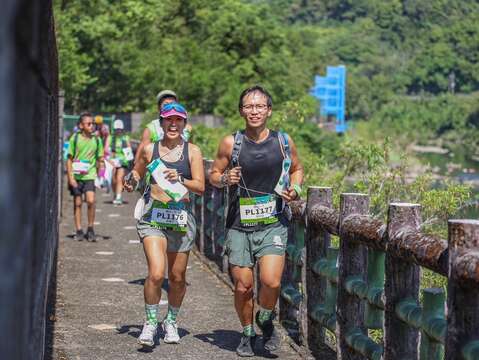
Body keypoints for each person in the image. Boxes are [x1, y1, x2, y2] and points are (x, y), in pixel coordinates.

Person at [210, 85, 304, 357]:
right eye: (249, 106)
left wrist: (295, 189)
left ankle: (265, 318)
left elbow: (297, 169)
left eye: (259, 106)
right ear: (241, 111)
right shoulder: (231, 143)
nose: (254, 111)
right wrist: (225, 179)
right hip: (239, 225)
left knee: (271, 282)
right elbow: (213, 174)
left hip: (273, 223)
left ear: (269, 111)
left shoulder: (283, 141)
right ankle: (247, 332)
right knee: (243, 286)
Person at [124, 102, 205, 348]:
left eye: (178, 120)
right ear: (161, 123)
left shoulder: (193, 152)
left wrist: (180, 178)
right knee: (157, 272)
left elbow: (201, 186)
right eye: (168, 119)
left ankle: (170, 321)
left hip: (181, 219)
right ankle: (150, 323)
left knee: (177, 277)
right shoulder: (150, 150)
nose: (173, 124)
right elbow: (137, 173)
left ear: (184, 123)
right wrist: (131, 180)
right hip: (153, 218)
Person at [66, 112, 105, 241]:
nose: (92, 125)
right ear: (81, 126)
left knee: (90, 200)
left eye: (93, 123)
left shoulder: (97, 140)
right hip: (76, 176)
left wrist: (101, 174)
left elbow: (100, 159)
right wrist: (70, 177)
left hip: (90, 175)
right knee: (77, 203)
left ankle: (90, 228)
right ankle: (78, 230)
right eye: (88, 123)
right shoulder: (75, 139)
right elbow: (69, 159)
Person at [134, 90, 192, 164]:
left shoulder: (187, 129)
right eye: (165, 105)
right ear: (159, 108)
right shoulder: (151, 128)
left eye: (173, 104)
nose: (169, 107)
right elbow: (141, 157)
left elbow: (190, 152)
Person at [110, 119, 133, 205]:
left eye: (120, 129)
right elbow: (107, 150)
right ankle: (115, 193)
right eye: (117, 129)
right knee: (113, 180)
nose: (118, 131)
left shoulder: (126, 138)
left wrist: (128, 159)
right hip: (113, 161)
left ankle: (119, 197)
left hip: (123, 161)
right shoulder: (111, 138)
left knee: (119, 178)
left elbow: (129, 150)